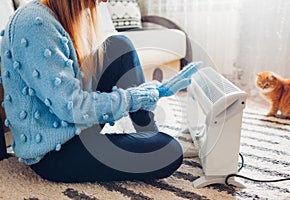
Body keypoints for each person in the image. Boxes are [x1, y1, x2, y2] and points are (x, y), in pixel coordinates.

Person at [0, 0, 200, 183]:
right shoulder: (35, 24)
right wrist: (134, 99)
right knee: (169, 151)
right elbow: (72, 108)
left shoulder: (53, 17)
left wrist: (145, 95)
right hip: (54, 153)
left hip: (73, 127)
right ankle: (150, 142)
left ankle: (148, 133)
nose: (105, 1)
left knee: (119, 46)